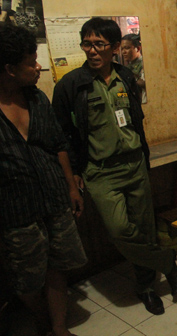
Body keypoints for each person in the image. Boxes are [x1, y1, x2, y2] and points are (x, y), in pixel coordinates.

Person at [52, 17, 177, 316]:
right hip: (100, 171)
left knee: (145, 229)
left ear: (114, 48)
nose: (92, 51)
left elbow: (135, 119)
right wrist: (72, 174)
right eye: (87, 44)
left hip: (135, 164)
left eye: (100, 44)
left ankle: (146, 287)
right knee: (120, 229)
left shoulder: (126, 77)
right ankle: (166, 262)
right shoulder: (71, 86)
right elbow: (62, 135)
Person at [0, 23, 87, 336]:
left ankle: (60, 327)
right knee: (25, 276)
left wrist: (70, 187)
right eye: (31, 62)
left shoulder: (36, 98)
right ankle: (41, 319)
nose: (38, 67)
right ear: (9, 69)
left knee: (57, 264)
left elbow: (58, 144)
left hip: (53, 198)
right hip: (15, 211)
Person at [121, 33, 146, 103]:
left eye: (127, 48)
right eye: (122, 49)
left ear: (137, 48)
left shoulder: (144, 64)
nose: (123, 52)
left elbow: (146, 85)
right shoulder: (128, 67)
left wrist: (130, 75)